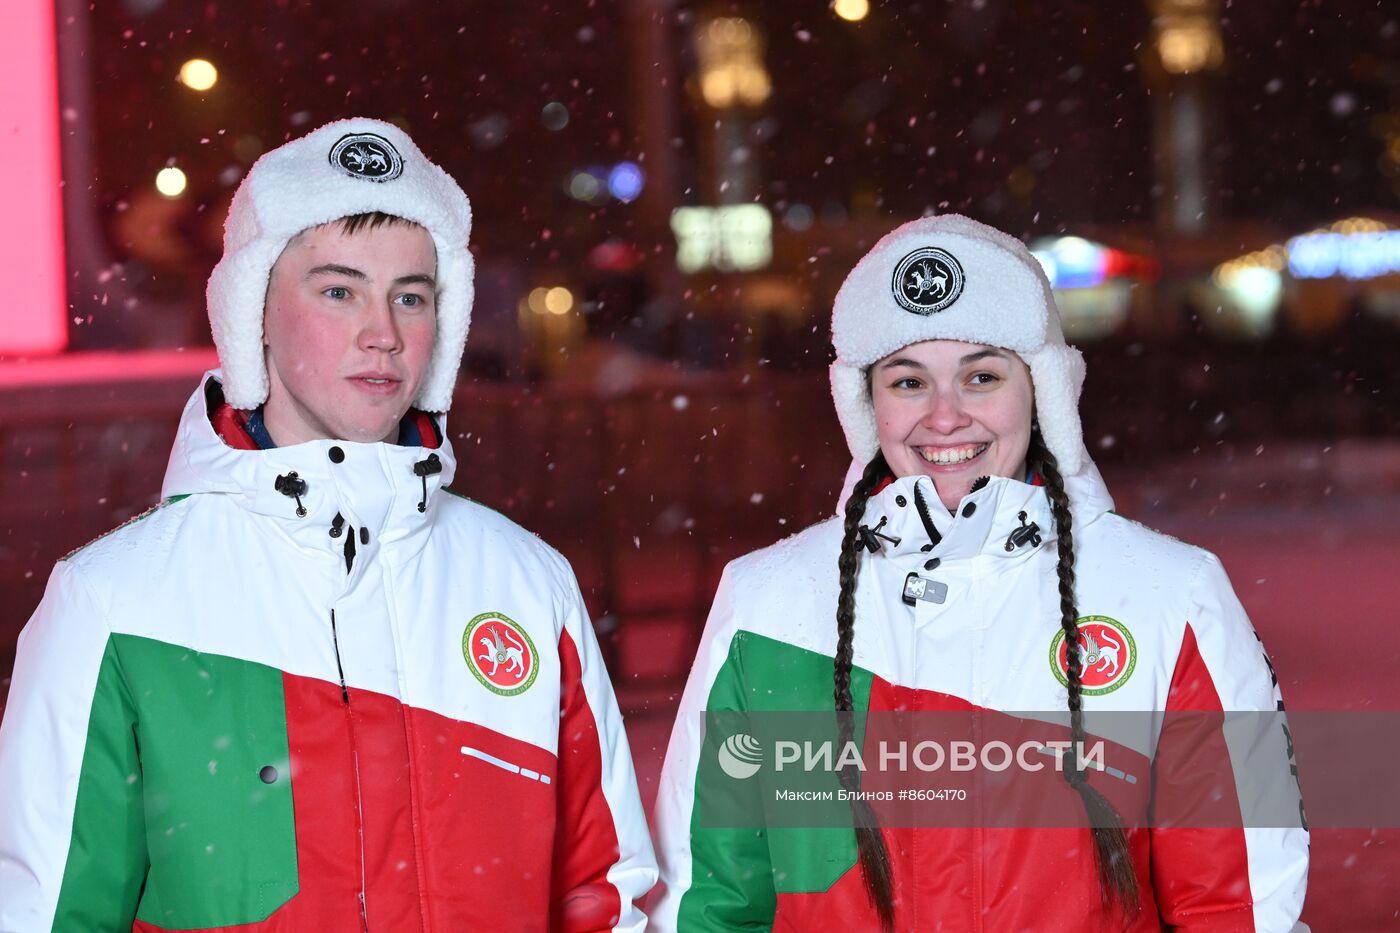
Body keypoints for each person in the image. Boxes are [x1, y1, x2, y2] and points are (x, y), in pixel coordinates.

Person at [0, 118, 656, 931]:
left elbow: (604, 894)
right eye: (339, 290)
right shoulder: (112, 604)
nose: (382, 332)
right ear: (255, 314)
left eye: (410, 296)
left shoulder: (526, 582)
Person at [650, 215, 1309, 931]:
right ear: (867, 405)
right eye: (908, 380)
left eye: (981, 375)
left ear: (1043, 391)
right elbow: (708, 902)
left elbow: (1241, 906)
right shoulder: (767, 602)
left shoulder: (1172, 596)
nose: (944, 416)